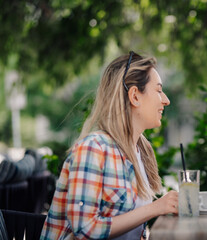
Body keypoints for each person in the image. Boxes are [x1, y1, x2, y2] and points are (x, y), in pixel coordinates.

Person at [41, 51, 178, 239]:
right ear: (135, 96)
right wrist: (155, 208)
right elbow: (85, 229)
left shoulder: (142, 151)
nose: (166, 100)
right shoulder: (93, 148)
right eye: (159, 90)